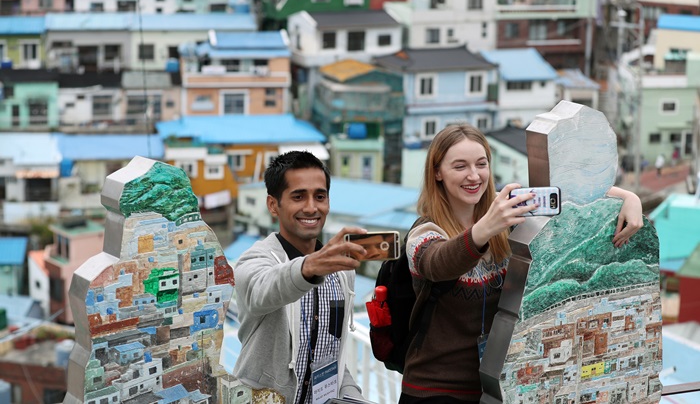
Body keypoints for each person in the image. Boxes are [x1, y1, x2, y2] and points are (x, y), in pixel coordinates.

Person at [399, 124, 644, 403]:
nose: (473, 175)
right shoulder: (425, 232)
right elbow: (438, 263)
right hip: (434, 390)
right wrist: (486, 228)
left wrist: (629, 198)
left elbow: (571, 196)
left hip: (497, 389)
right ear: (437, 172)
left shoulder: (505, 213)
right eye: (459, 166)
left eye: (481, 164)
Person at [233, 151, 368, 403]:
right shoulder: (255, 260)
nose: (311, 207)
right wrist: (309, 266)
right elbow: (261, 291)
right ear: (273, 205)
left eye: (320, 196)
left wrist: (351, 396)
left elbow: (332, 355)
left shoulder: (341, 270)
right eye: (298, 196)